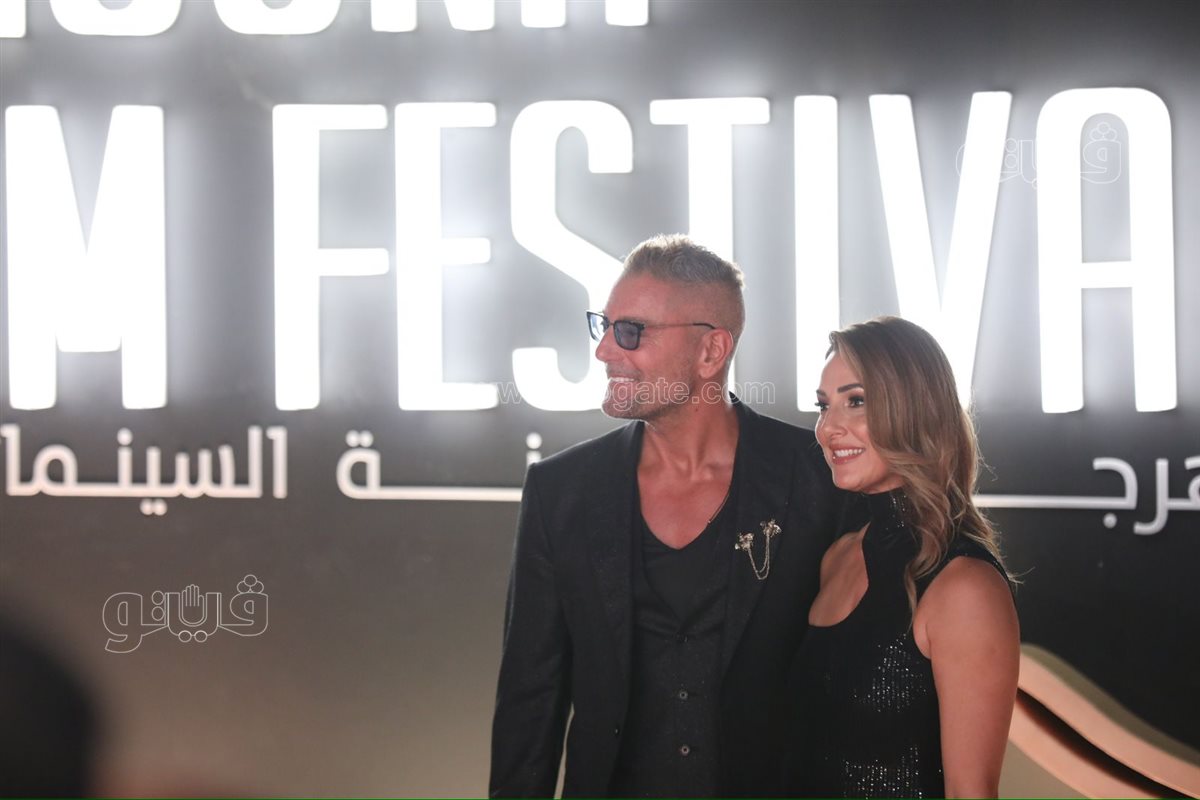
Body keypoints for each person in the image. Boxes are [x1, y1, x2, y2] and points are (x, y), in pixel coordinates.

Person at [489, 235, 851, 798]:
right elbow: (529, 702)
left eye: (630, 331)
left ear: (711, 352)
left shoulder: (818, 478)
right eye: (603, 326)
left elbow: (860, 683)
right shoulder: (559, 491)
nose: (604, 351)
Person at [784, 316, 1020, 798]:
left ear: (915, 409)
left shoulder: (965, 586)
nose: (828, 428)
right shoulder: (839, 556)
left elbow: (970, 793)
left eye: (856, 401)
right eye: (824, 406)